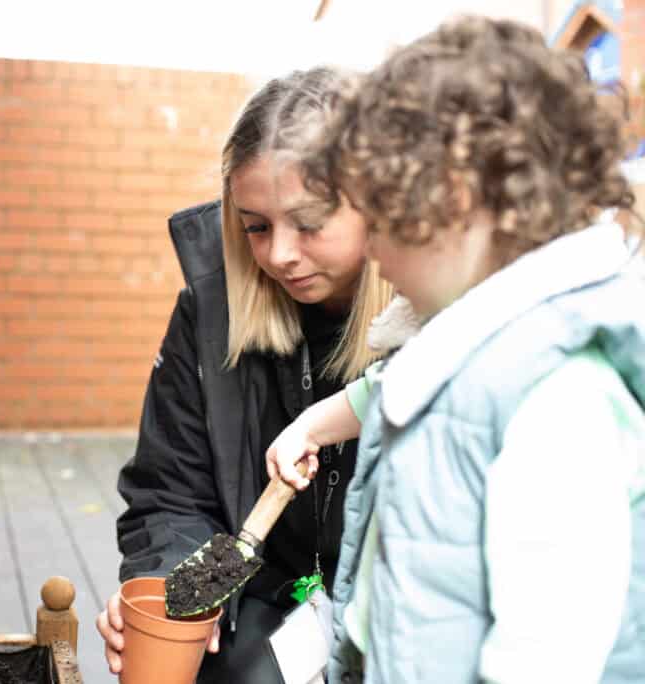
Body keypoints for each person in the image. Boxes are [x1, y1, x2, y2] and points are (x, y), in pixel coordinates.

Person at [270, 16, 645, 683]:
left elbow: (546, 659)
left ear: (458, 202)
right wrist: (311, 425)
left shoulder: (558, 398)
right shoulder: (480, 341)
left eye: (382, 216)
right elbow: (394, 388)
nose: (372, 248)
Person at [95, 67, 394, 682]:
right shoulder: (210, 314)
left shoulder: (436, 331)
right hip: (258, 615)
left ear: (383, 207)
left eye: (308, 222)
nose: (279, 253)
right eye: (255, 226)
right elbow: (169, 493)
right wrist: (171, 596)